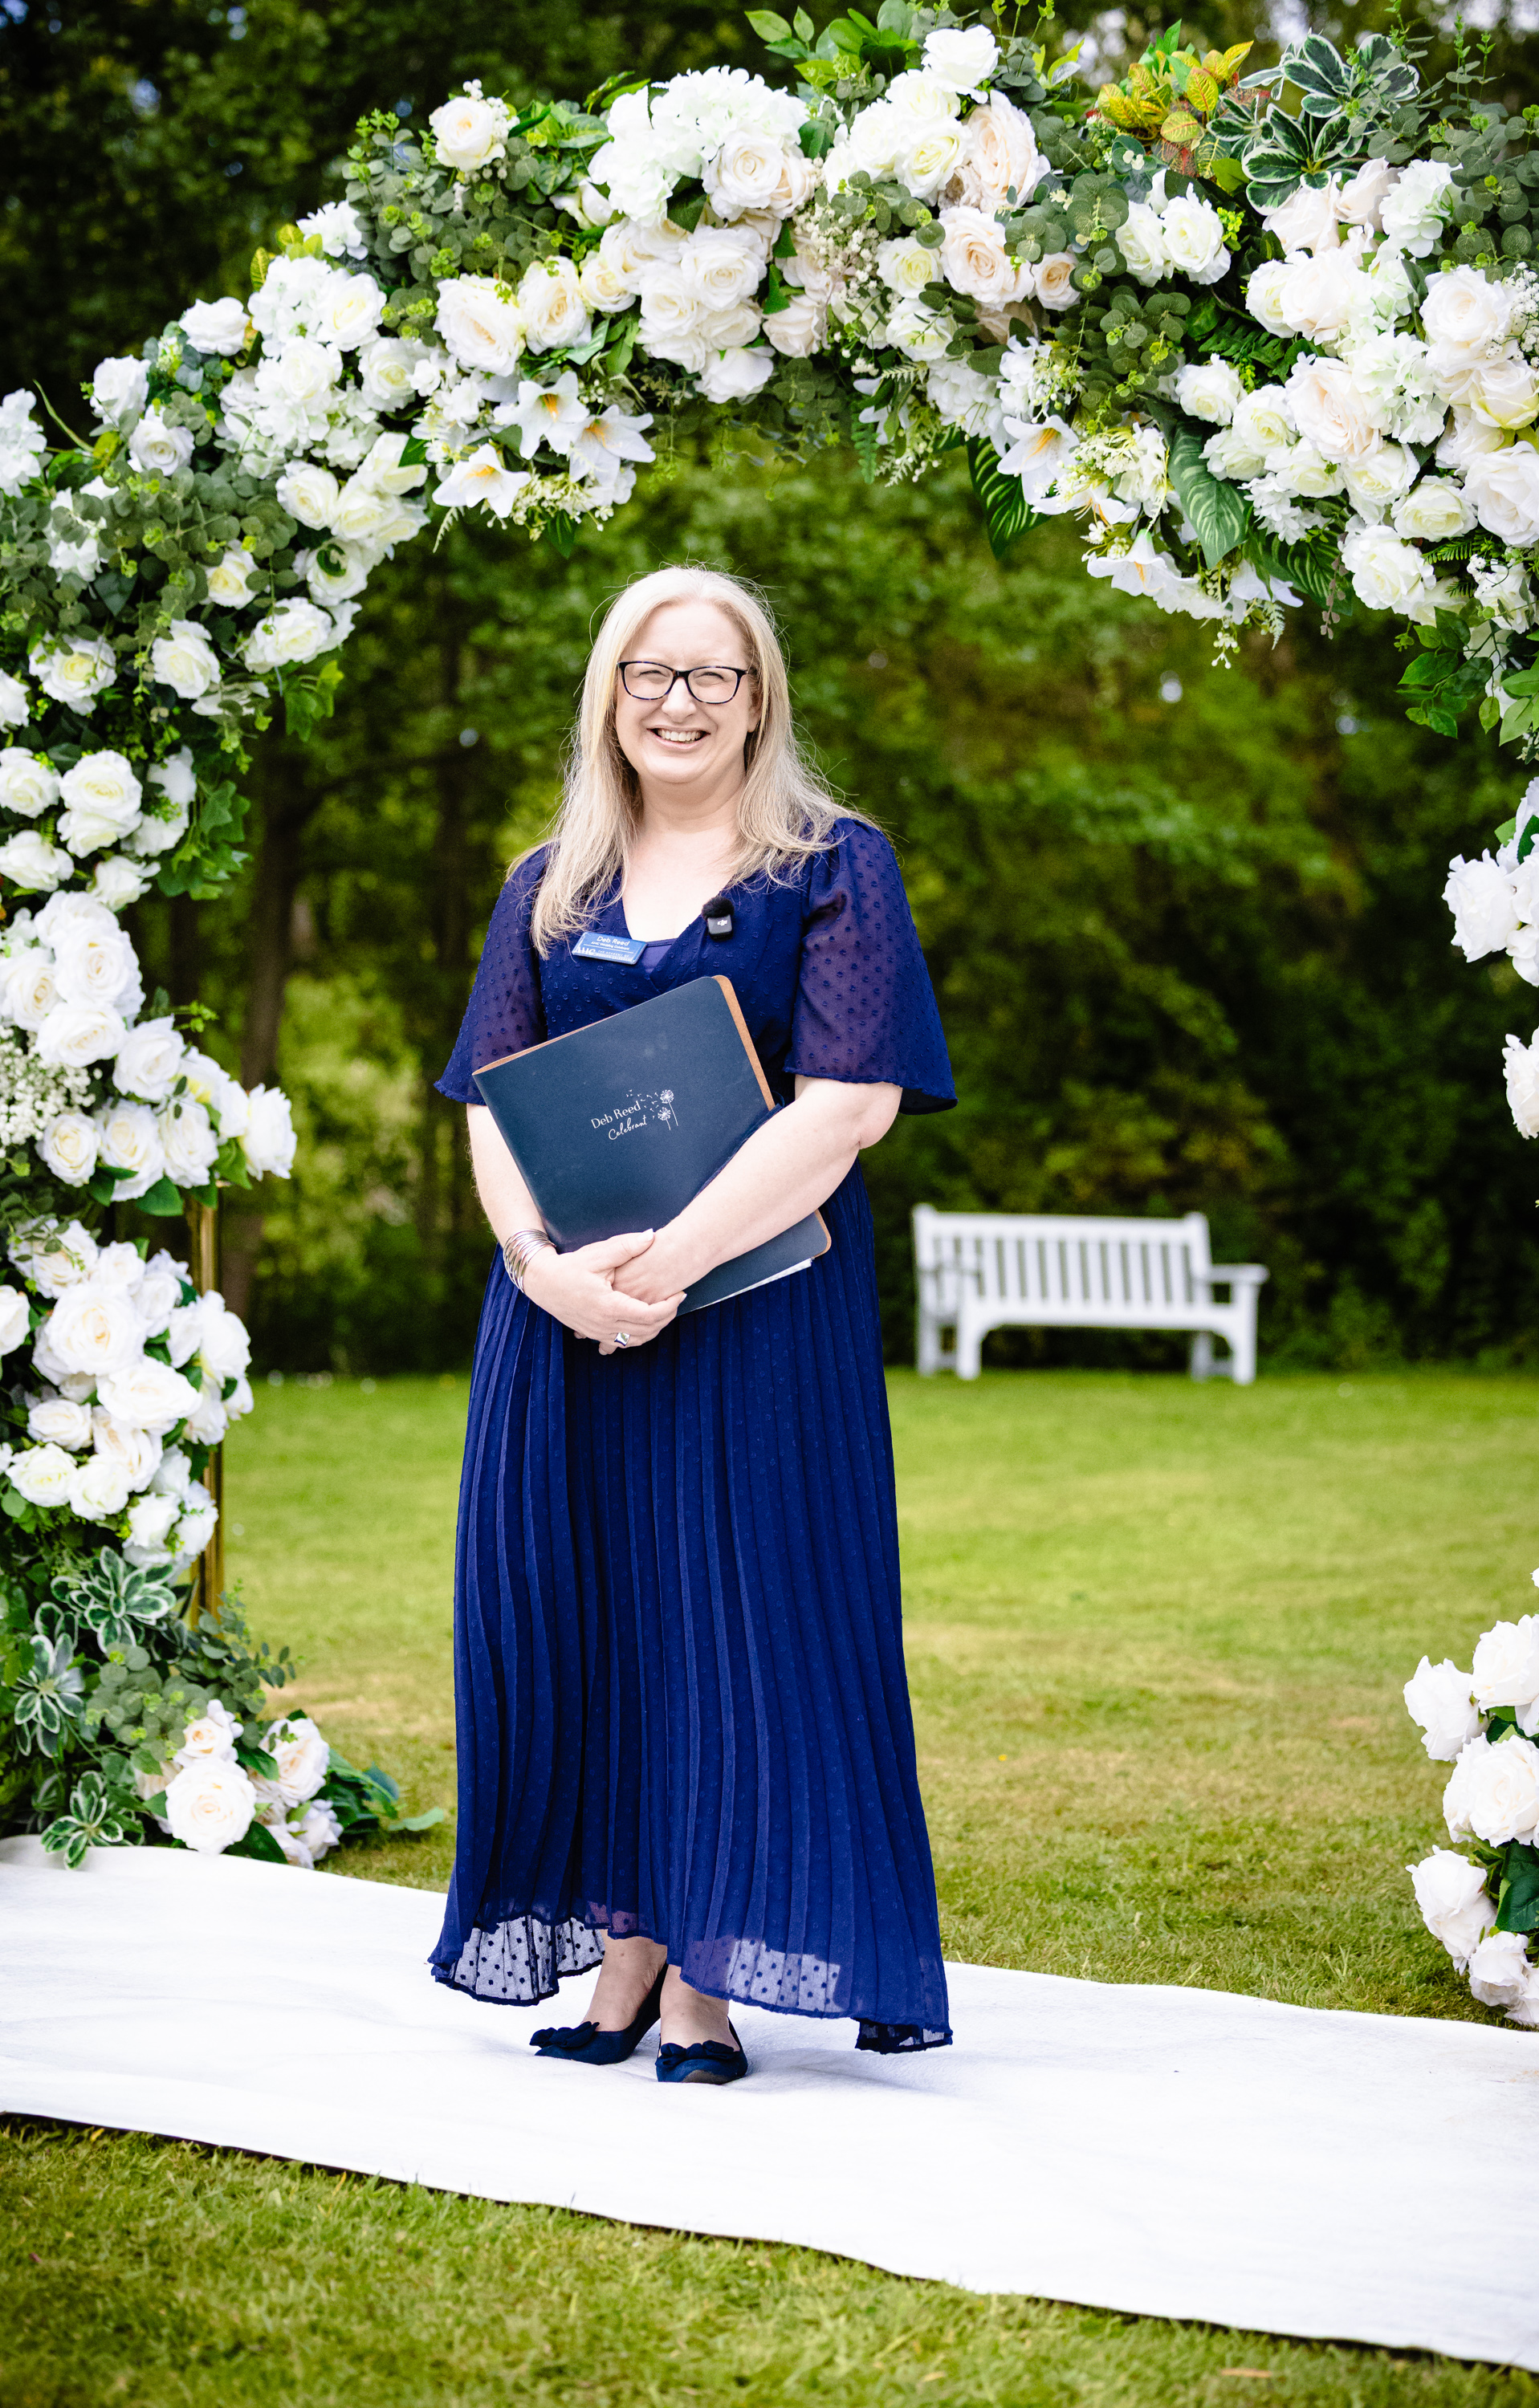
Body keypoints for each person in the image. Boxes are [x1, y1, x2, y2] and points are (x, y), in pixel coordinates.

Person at [430, 563, 956, 2085]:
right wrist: (541, 1268)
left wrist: (669, 1263)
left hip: (760, 1314)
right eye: (648, 673)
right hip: (565, 1325)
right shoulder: (547, 886)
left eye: (712, 675)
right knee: (580, 1621)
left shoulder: (833, 866)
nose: (678, 700)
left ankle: (701, 1979)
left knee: (735, 1624)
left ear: (758, 699)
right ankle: (627, 1946)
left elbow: (850, 1106)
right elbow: (488, 1105)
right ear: (610, 695)